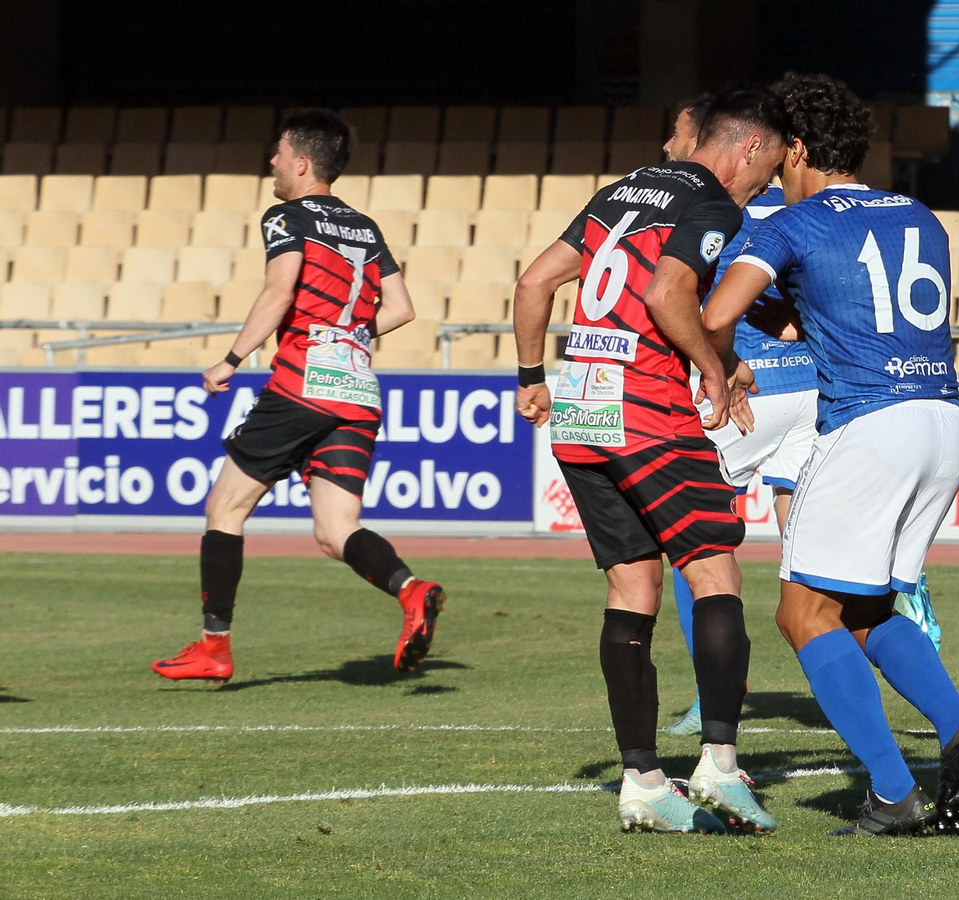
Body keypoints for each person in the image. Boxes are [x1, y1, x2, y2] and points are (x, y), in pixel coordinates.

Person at [703, 73, 959, 837]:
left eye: (775, 159)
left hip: (869, 424)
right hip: (943, 419)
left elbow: (715, 313)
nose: (769, 173)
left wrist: (727, 357)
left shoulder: (790, 224)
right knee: (865, 606)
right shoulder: (917, 214)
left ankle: (894, 795)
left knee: (800, 613)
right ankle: (958, 728)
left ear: (797, 148)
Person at [512, 86, 789, 834]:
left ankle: (641, 781)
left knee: (632, 587)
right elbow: (672, 293)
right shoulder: (712, 201)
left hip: (582, 412)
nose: (760, 188)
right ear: (749, 149)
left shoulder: (619, 190)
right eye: (763, 176)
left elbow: (535, 280)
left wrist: (531, 376)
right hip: (647, 411)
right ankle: (721, 767)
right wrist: (709, 364)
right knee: (714, 570)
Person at [659, 94, 943, 739]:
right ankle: (899, 598)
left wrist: (716, 365)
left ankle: (714, 690)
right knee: (808, 532)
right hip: (816, 386)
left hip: (744, 387)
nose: (671, 150)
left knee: (693, 535)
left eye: (677, 135)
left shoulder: (710, 203)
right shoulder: (810, 204)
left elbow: (695, 304)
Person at [152, 111, 445, 683]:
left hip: (302, 385)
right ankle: (410, 590)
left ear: (303, 162)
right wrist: (350, 335)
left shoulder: (287, 216)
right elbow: (404, 308)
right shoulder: (365, 226)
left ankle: (215, 647)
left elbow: (280, 289)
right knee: (335, 531)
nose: (273, 162)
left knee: (225, 508)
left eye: (279, 154)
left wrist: (231, 359)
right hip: (359, 389)